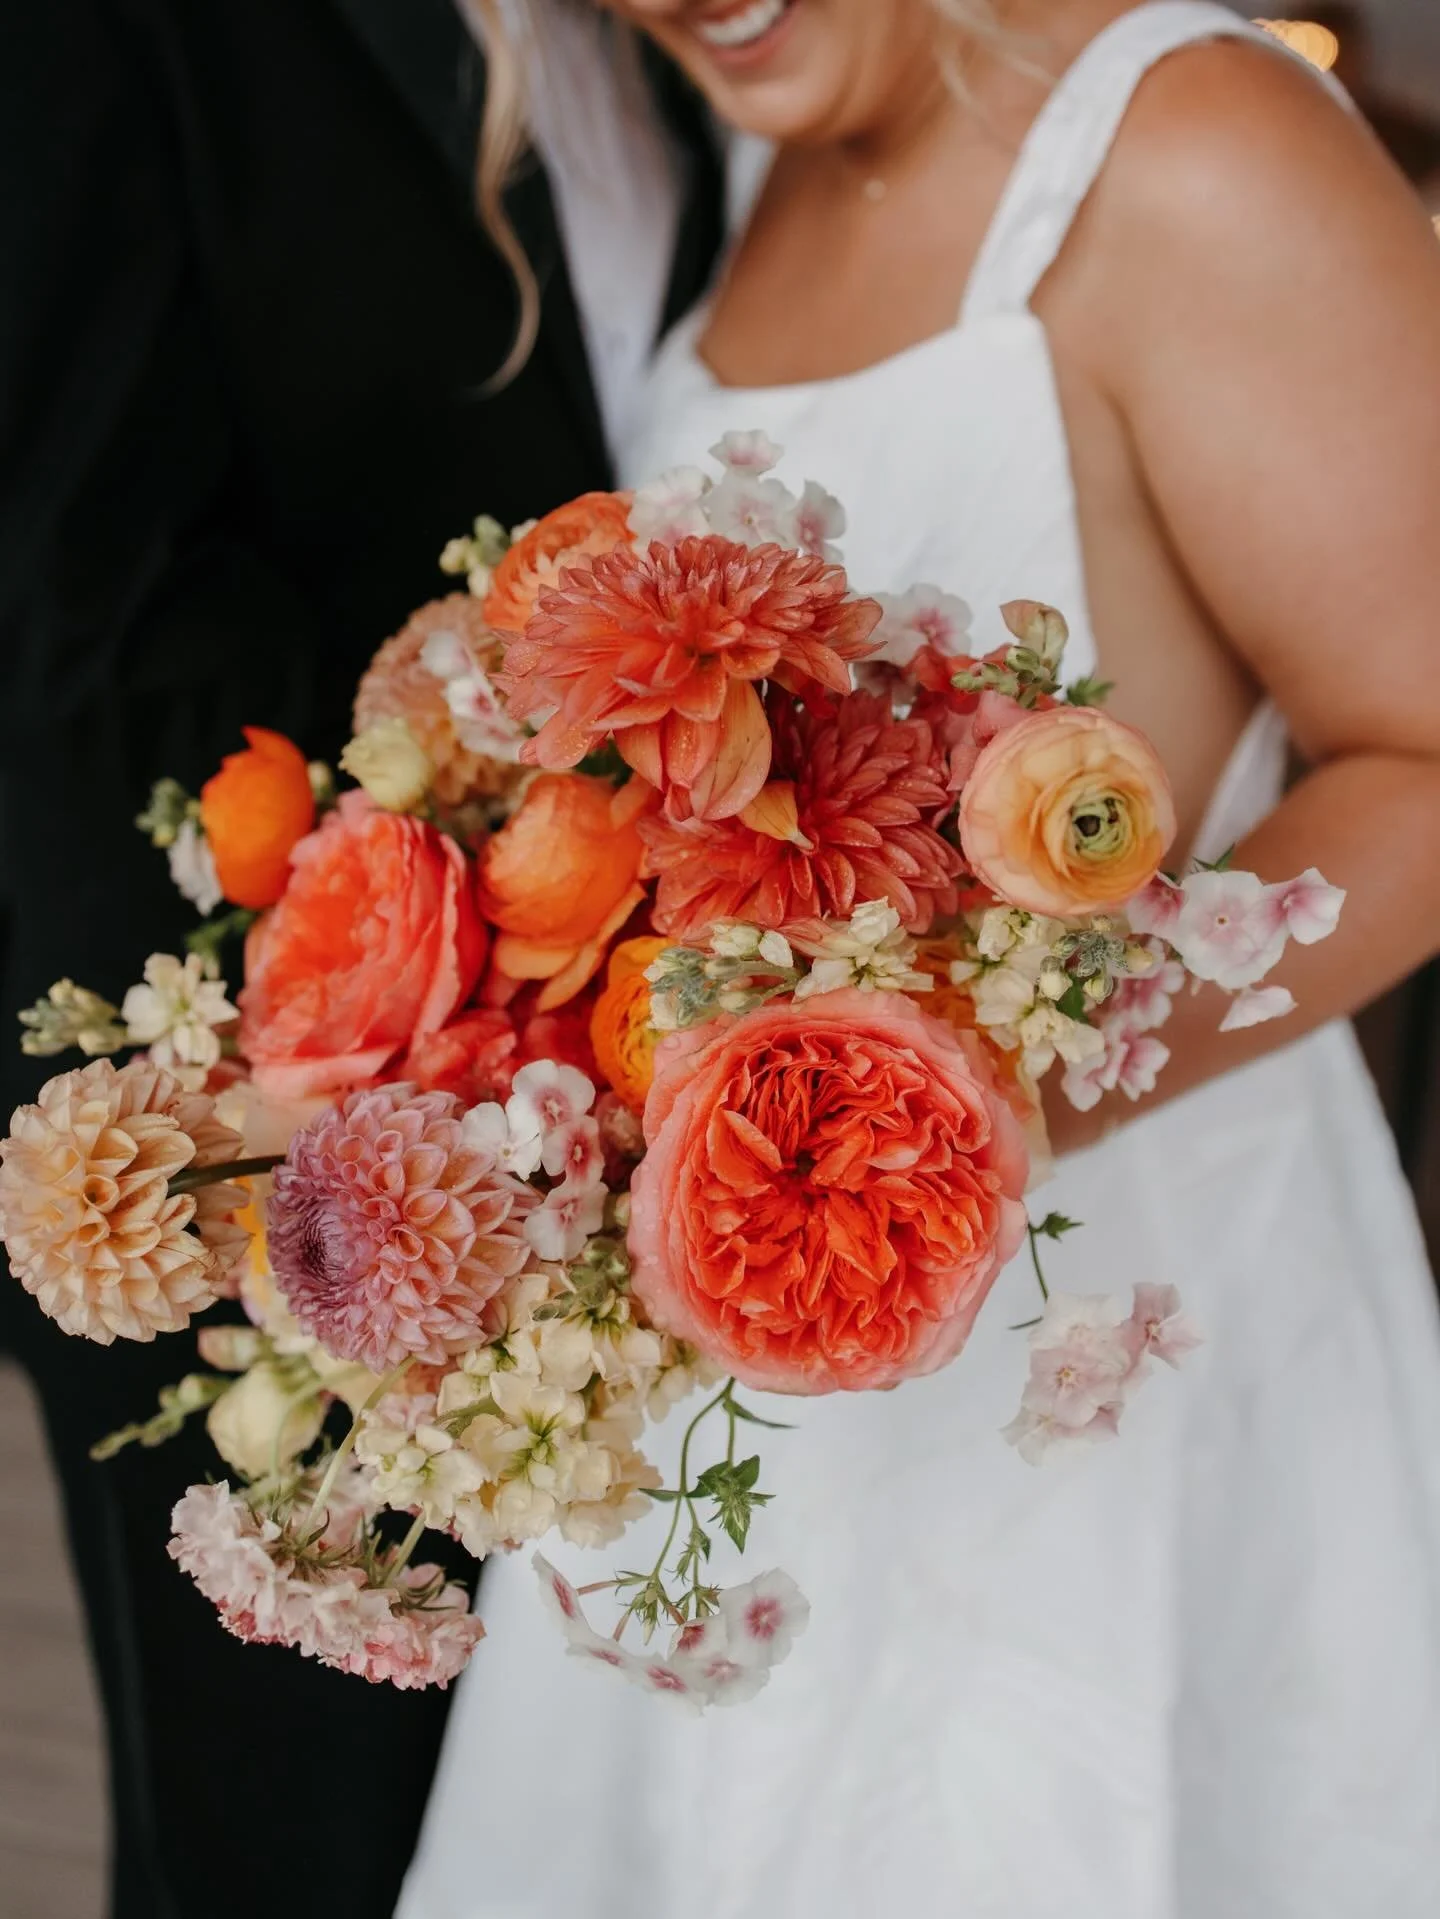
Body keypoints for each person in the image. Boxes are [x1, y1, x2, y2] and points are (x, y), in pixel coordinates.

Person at [398, 3, 1440, 1915]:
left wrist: (981, 1102)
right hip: (756, 1400)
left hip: (1123, 1377)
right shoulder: (736, 175)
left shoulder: (1188, 141)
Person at [0, 2, 719, 1913]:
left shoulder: (688, 42)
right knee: (300, 1838)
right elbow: (86, 601)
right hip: (271, 1130)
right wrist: (444, 986)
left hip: (629, 1123)